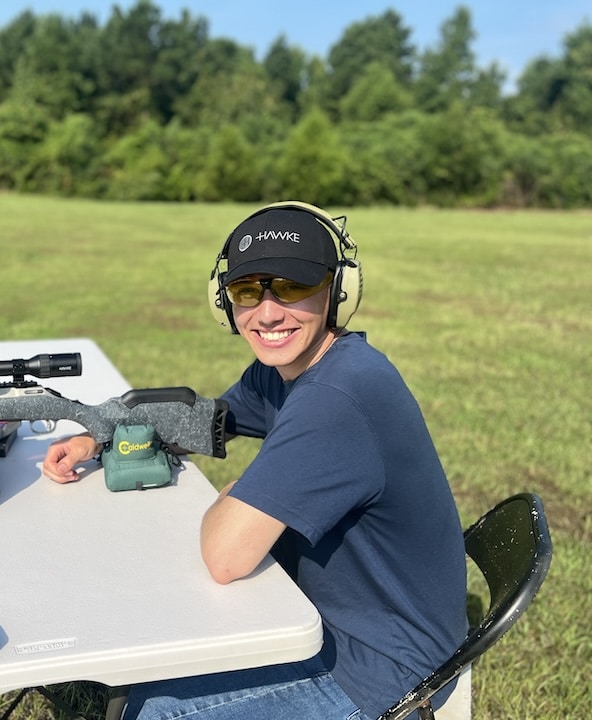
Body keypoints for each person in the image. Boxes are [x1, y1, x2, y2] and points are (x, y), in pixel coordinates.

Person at [42, 201, 468, 720]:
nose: (267, 313)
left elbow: (226, 555)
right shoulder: (295, 369)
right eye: (248, 291)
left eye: (291, 287)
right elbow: (208, 422)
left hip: (378, 665)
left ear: (337, 291)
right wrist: (103, 436)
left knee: (157, 710)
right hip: (330, 617)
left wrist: (246, 487)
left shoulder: (337, 397)